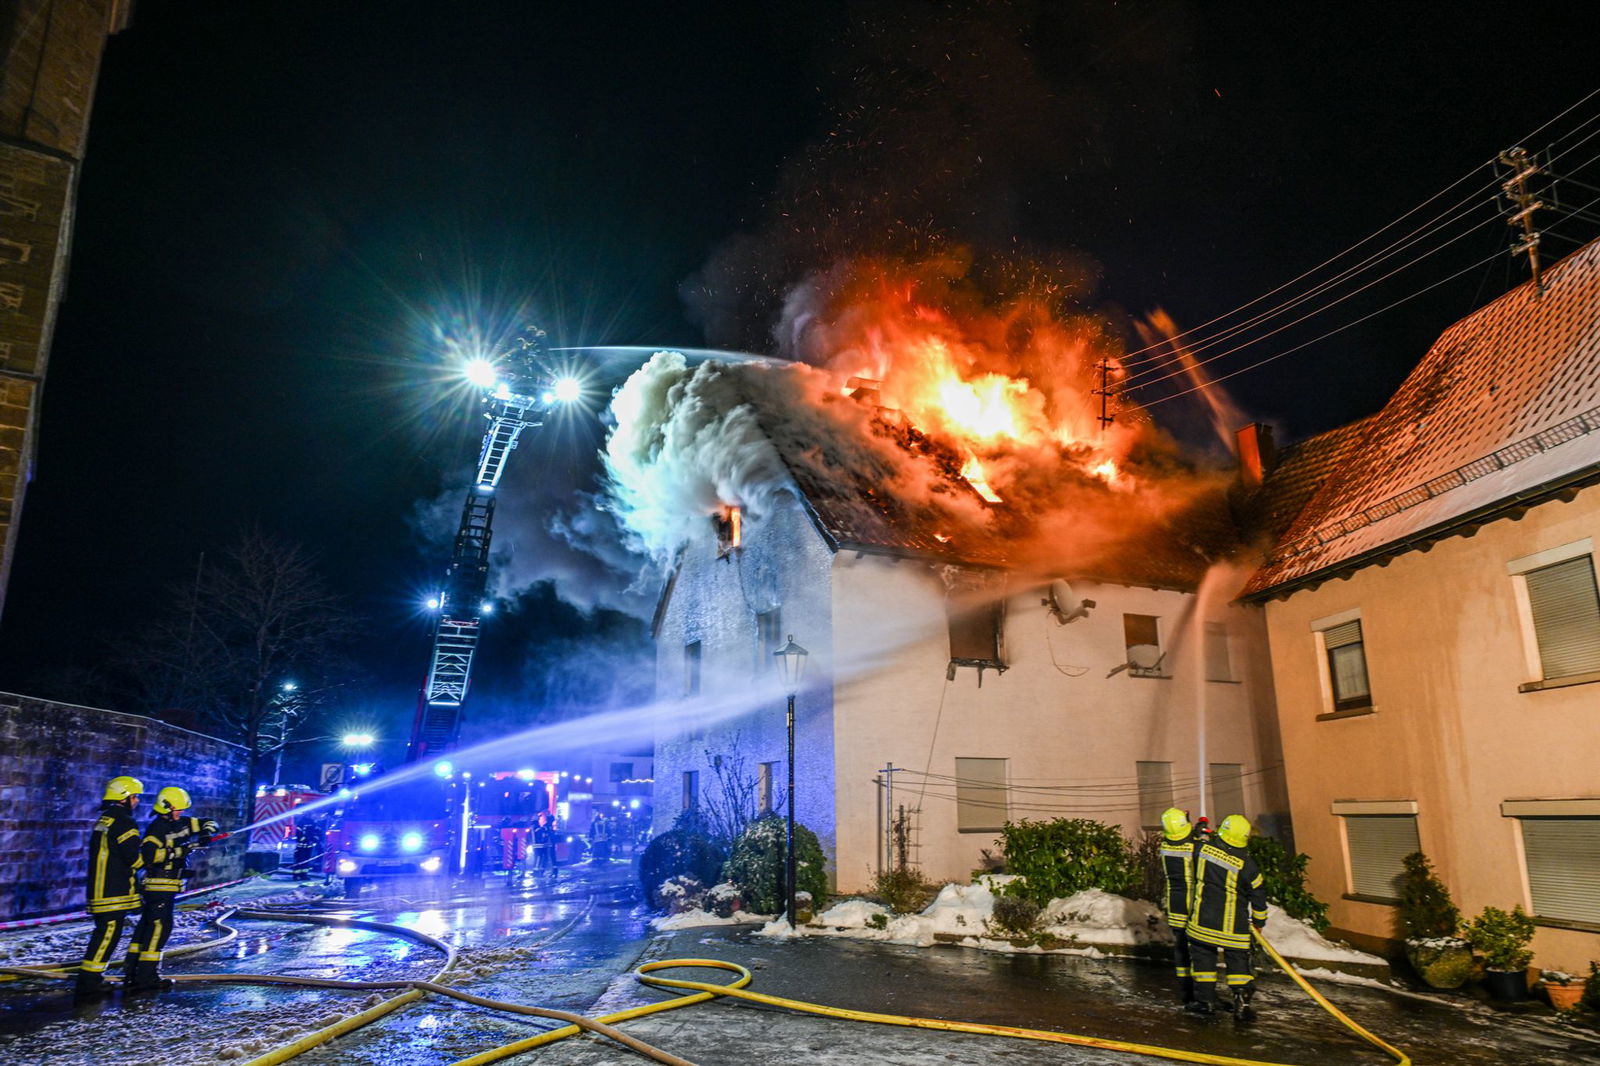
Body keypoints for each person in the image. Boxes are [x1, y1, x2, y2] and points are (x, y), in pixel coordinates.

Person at [123, 786, 219, 992]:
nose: (181, 813)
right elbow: (149, 856)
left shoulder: (181, 823)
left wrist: (206, 833)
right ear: (166, 807)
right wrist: (181, 850)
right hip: (158, 884)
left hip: (168, 885)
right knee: (159, 927)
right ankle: (146, 976)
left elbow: (209, 822)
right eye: (178, 810)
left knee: (146, 927)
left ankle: (132, 971)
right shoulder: (156, 829)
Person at [1185, 814, 1268, 1021]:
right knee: (1239, 966)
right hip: (1234, 928)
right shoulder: (1249, 866)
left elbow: (1190, 845)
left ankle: (1206, 1002)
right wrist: (1259, 922)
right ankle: (1242, 1002)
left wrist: (1199, 831)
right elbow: (1259, 898)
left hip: (1202, 923)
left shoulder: (1202, 851)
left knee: (1203, 963)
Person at [76, 776, 146, 998]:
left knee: (102, 933)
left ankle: (91, 979)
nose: (136, 802)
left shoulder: (104, 820)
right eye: (134, 797)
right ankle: (89, 983)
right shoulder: (124, 821)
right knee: (107, 935)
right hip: (113, 890)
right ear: (124, 798)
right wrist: (156, 858)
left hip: (99, 888)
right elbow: (134, 858)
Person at [1157, 807, 1201, 1007]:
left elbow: (1183, 839)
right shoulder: (1194, 847)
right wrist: (1202, 835)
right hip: (1194, 906)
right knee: (1200, 951)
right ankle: (1203, 994)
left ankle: (1187, 992)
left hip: (1176, 907)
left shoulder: (1166, 845)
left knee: (1181, 949)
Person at [532, 811, 557, 882]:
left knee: (543, 858)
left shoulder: (544, 826)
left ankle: (543, 871)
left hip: (544, 845)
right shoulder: (546, 827)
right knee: (548, 858)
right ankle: (550, 872)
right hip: (545, 845)